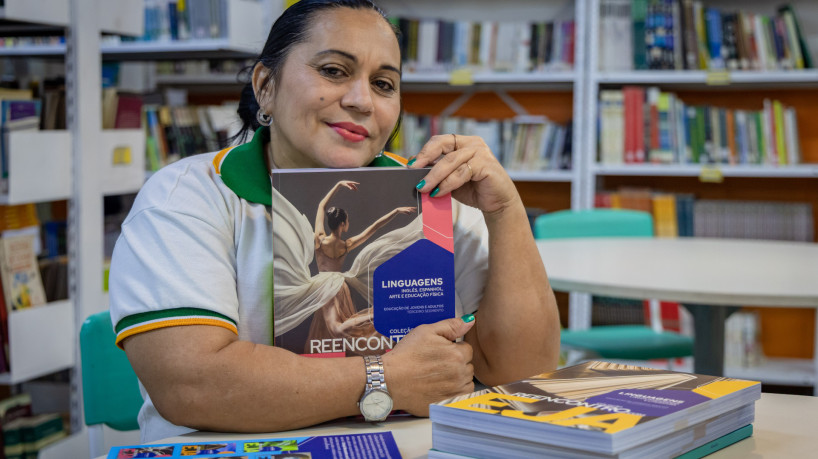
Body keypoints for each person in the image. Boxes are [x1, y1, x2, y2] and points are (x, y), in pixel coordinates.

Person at [109, 0, 560, 444]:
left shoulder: (439, 200)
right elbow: (193, 386)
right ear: (266, 86)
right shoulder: (186, 198)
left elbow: (524, 373)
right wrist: (387, 378)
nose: (362, 100)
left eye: (384, 84)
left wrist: (505, 211)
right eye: (333, 71)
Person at [306, 179, 417, 353]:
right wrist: (395, 211)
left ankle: (378, 313)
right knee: (333, 330)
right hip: (337, 286)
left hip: (325, 286)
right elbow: (374, 227)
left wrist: (338, 185)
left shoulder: (319, 239)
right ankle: (378, 313)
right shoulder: (346, 245)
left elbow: (321, 206)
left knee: (335, 329)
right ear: (343, 224)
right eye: (347, 221)